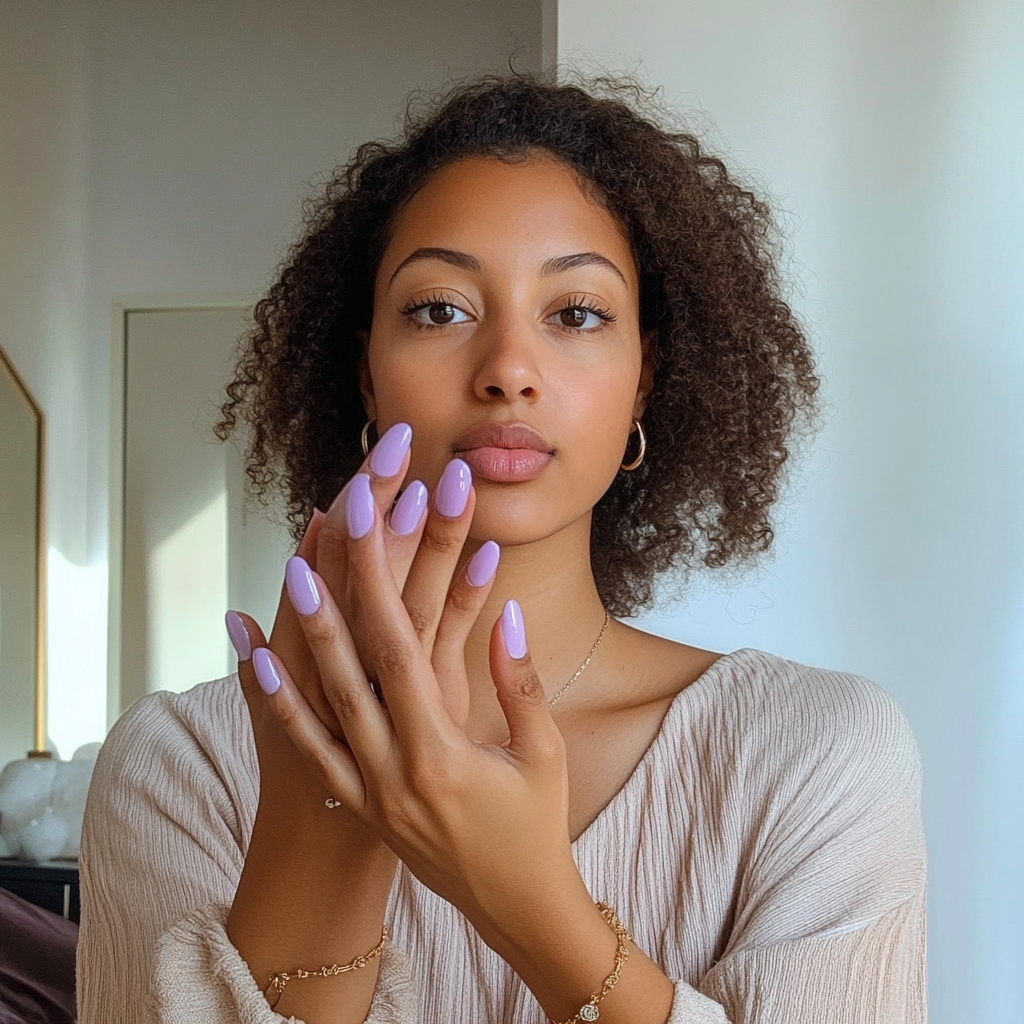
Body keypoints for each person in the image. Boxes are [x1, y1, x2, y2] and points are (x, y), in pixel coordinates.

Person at [77, 74, 926, 1024]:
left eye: (577, 313)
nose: (509, 371)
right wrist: (320, 844)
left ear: (645, 379)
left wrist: (532, 904)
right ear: (366, 375)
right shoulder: (179, 767)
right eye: (440, 309)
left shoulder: (817, 755)